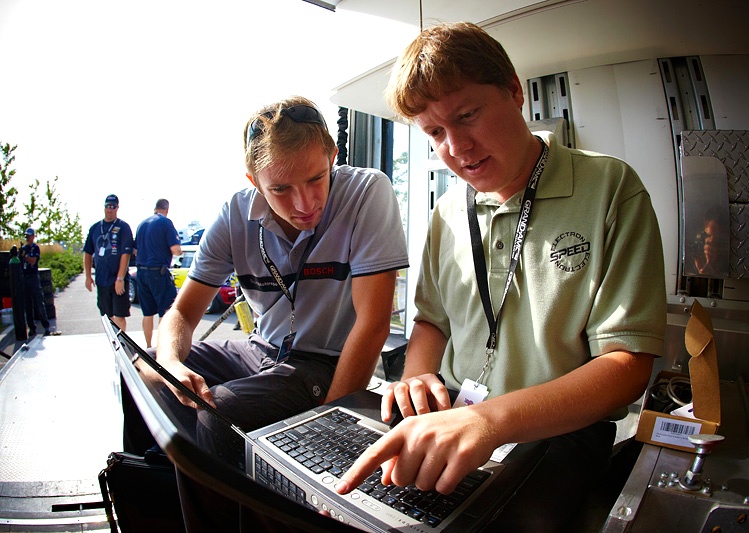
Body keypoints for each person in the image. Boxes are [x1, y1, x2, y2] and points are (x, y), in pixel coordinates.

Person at [335, 22, 667, 531]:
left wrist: (488, 421)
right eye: (434, 133)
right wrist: (417, 377)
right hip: (452, 410)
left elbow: (627, 363)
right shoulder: (448, 212)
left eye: (467, 115)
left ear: (514, 91)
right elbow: (432, 322)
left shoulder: (609, 187)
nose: (456, 146)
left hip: (557, 431)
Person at [137, 96, 408, 530]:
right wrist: (169, 362)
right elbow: (182, 314)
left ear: (333, 156)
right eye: (280, 189)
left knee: (218, 417)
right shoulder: (235, 213)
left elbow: (372, 323)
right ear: (254, 182)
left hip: (323, 362)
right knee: (146, 367)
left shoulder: (366, 192)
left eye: (316, 178)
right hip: (261, 350)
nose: (304, 203)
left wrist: (327, 432)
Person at [133, 198, 182, 347]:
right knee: (166, 312)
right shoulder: (165, 222)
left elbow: (135, 251)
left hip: (141, 272)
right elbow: (176, 249)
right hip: (158, 272)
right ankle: (163, 347)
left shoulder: (142, 224)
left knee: (147, 313)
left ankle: (148, 346)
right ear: (167, 209)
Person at [83, 194, 134, 331]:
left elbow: (125, 254)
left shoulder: (123, 227)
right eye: (107, 206)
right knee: (107, 316)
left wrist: (120, 278)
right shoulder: (95, 228)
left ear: (117, 208)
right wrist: (88, 276)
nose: (110, 209)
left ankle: (122, 341)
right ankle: (113, 340)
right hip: (102, 279)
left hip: (117, 279)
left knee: (120, 315)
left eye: (113, 207)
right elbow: (87, 253)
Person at [19, 227, 60, 337]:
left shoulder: (35, 248)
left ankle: (46, 326)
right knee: (28, 304)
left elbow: (33, 261)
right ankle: (31, 327)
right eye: (26, 236)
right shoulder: (23, 249)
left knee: (39, 302)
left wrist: (25, 256)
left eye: (29, 236)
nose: (27, 238)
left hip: (33, 277)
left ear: (33, 236)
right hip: (25, 277)